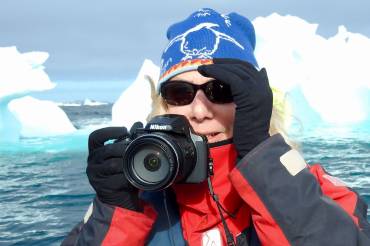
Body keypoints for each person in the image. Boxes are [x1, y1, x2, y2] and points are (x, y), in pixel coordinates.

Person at [62, 8, 370, 246]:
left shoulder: (315, 189)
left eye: (221, 90)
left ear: (252, 101)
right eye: (180, 93)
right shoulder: (134, 199)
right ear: (164, 105)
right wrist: (116, 212)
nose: (198, 111)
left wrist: (262, 159)